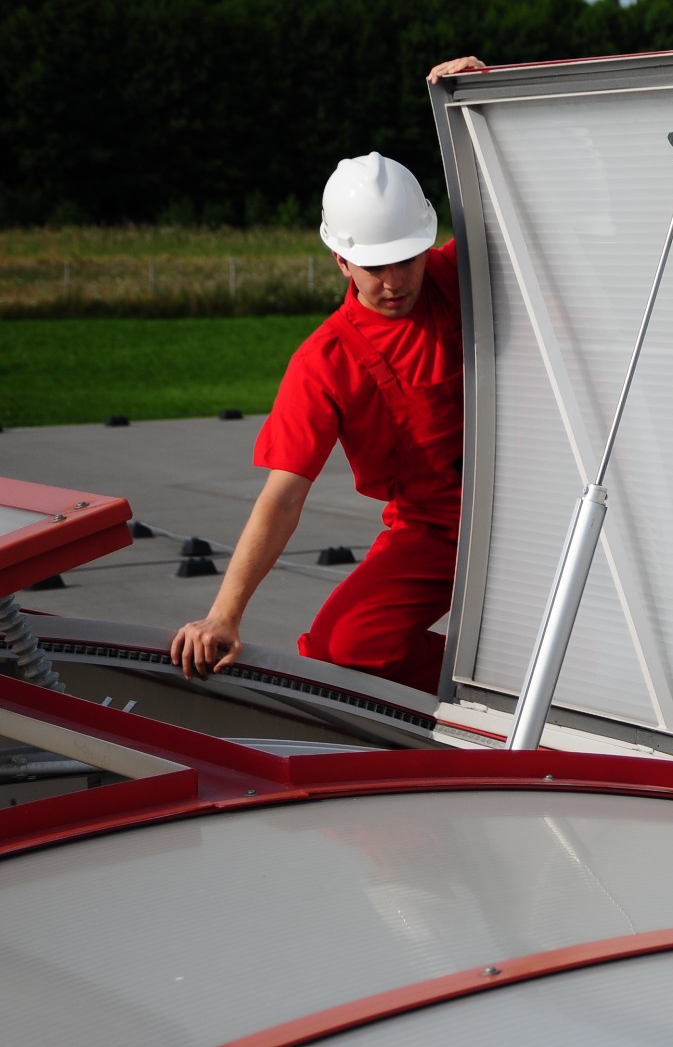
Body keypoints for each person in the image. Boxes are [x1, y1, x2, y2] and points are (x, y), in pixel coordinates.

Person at [170, 134, 470, 696]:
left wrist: (475, 101)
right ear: (340, 258)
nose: (395, 282)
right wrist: (224, 614)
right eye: (374, 265)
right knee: (345, 648)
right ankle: (494, 687)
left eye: (406, 259)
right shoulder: (323, 363)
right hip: (437, 530)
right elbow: (283, 495)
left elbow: (524, 196)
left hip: (535, 512)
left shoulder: (458, 273)